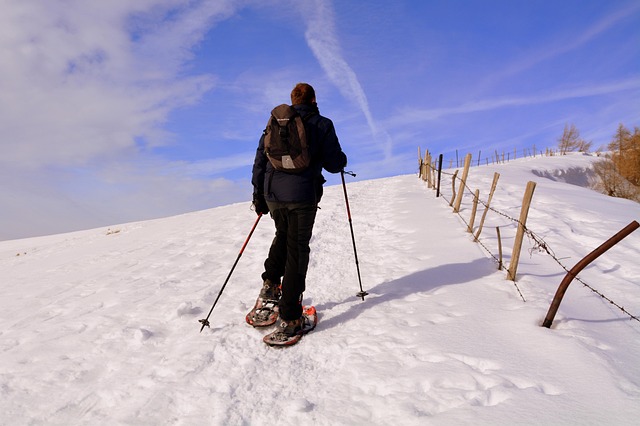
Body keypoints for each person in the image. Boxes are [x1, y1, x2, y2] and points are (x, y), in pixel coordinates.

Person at [251, 82, 347, 337]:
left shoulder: (274, 123)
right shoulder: (321, 123)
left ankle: (270, 286)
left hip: (273, 195)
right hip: (302, 196)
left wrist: (258, 194)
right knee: (297, 249)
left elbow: (260, 159)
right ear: (314, 100)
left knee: (282, 236)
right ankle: (291, 317)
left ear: (293, 100)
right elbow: (334, 163)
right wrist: (342, 159)